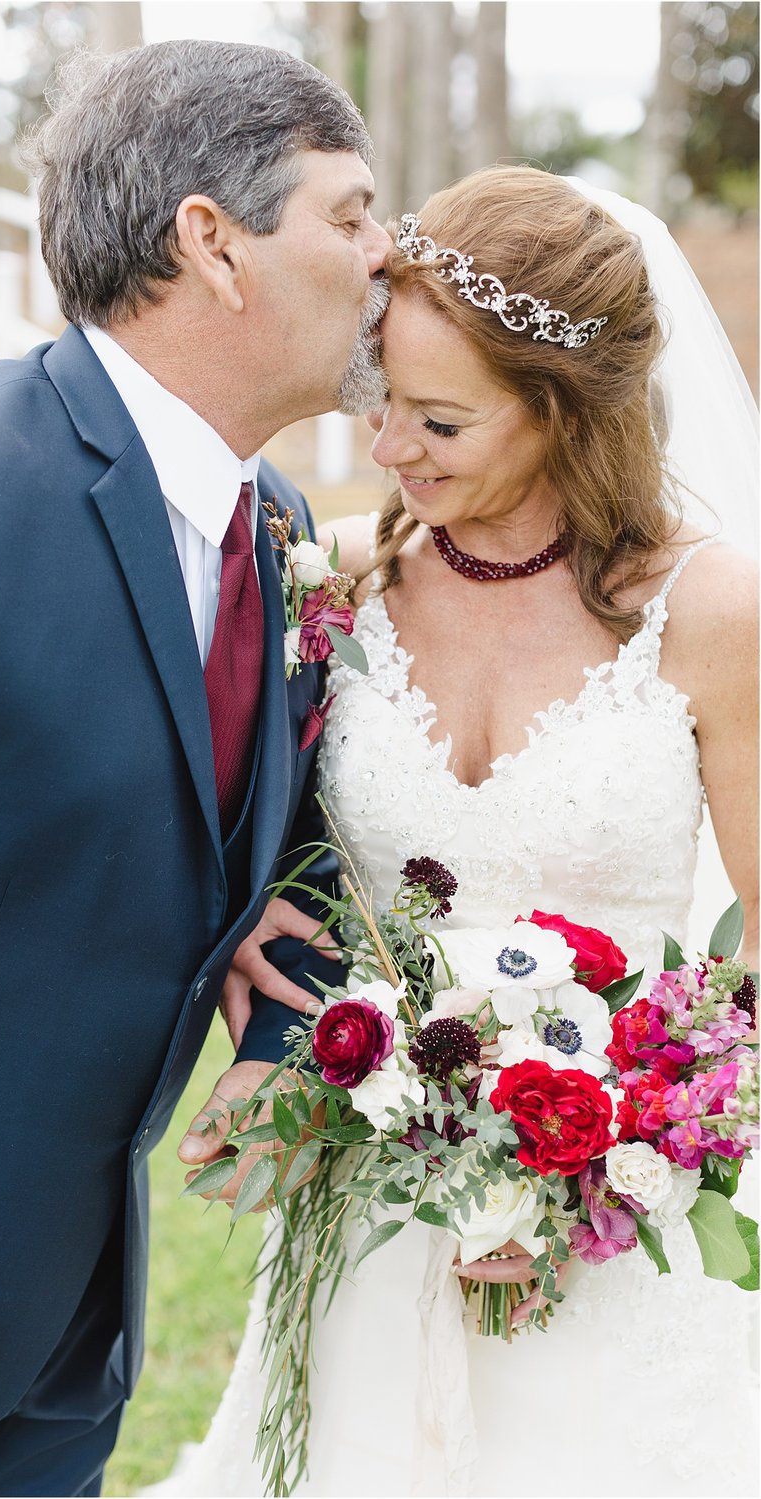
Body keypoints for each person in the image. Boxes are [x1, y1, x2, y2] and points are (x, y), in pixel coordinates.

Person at [0, 39, 391, 1498]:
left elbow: (285, 859)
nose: (389, 254)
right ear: (212, 243)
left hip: (75, 1328)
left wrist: (288, 1053)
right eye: (352, 213)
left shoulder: (282, 524)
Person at [157, 167, 759, 1497]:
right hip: (370, 1212)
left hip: (624, 1220)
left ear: (562, 413)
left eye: (438, 420)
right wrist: (266, 1010)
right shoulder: (344, 584)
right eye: (383, 404)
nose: (388, 450)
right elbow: (278, 857)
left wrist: (618, 1157)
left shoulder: (711, 614)